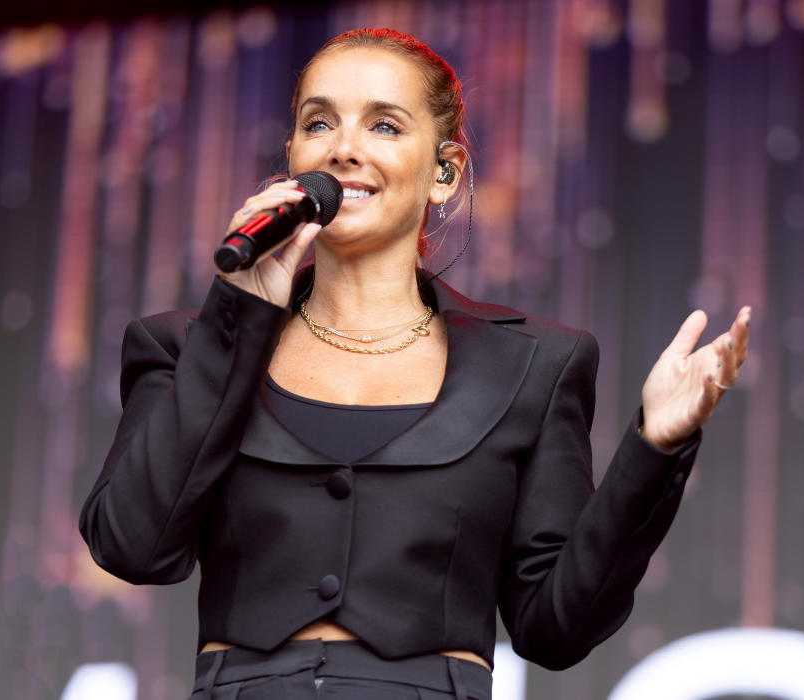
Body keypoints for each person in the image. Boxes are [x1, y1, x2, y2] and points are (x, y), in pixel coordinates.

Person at [79, 28, 751, 700]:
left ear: (444, 172)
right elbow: (134, 546)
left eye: (384, 126)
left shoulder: (537, 363)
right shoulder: (181, 346)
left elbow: (556, 628)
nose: (344, 148)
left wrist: (655, 445)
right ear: (293, 160)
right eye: (319, 123)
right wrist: (237, 318)